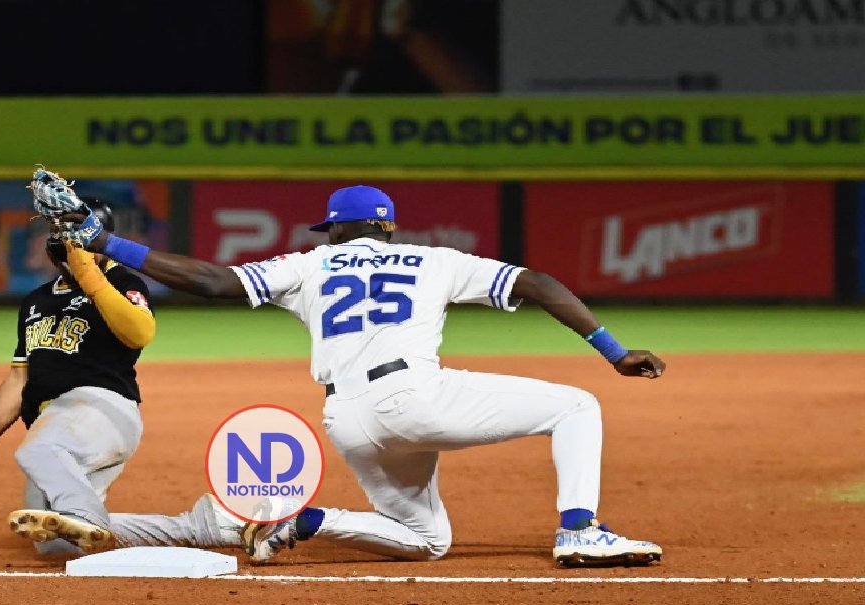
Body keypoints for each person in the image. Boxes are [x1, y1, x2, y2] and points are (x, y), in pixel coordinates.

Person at [47, 177, 667, 567]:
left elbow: (211, 281)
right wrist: (613, 351)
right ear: (386, 225)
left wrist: (107, 242)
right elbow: (539, 283)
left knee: (426, 540)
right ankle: (579, 530)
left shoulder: (309, 265)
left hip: (347, 418)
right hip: (417, 395)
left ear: (339, 228)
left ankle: (310, 520)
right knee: (576, 405)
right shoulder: (435, 259)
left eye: (330, 228)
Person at [0, 173, 244, 558]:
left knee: (38, 452)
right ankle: (204, 527)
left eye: (75, 237)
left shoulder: (122, 282)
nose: (67, 245)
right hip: (58, 425)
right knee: (54, 540)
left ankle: (82, 513)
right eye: (61, 238)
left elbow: (139, 333)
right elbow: (18, 381)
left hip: (98, 410)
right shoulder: (36, 301)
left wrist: (89, 272)